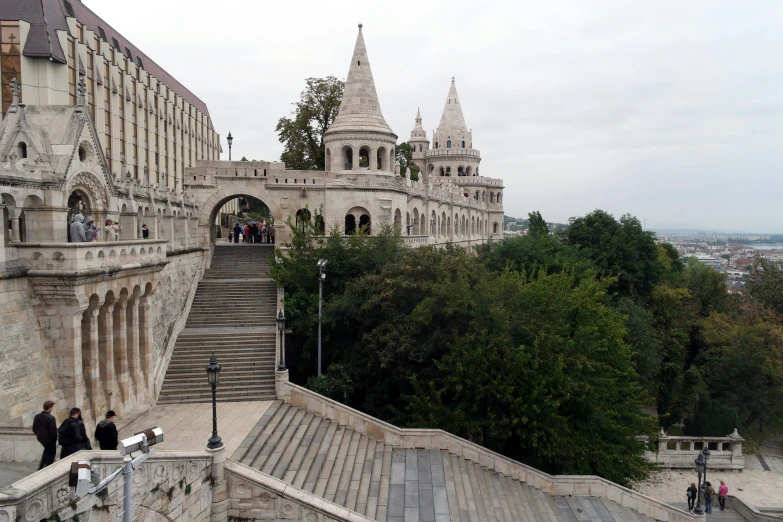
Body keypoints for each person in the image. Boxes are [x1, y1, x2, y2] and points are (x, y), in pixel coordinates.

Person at [32, 400, 57, 469]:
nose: (52, 408)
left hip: (40, 437)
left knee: (47, 450)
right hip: (49, 438)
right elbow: (53, 431)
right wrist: (54, 440)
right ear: (49, 408)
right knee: (52, 453)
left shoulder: (37, 416)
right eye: (52, 407)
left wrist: (38, 434)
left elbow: (34, 428)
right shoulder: (51, 418)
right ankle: (48, 467)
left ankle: (41, 466)